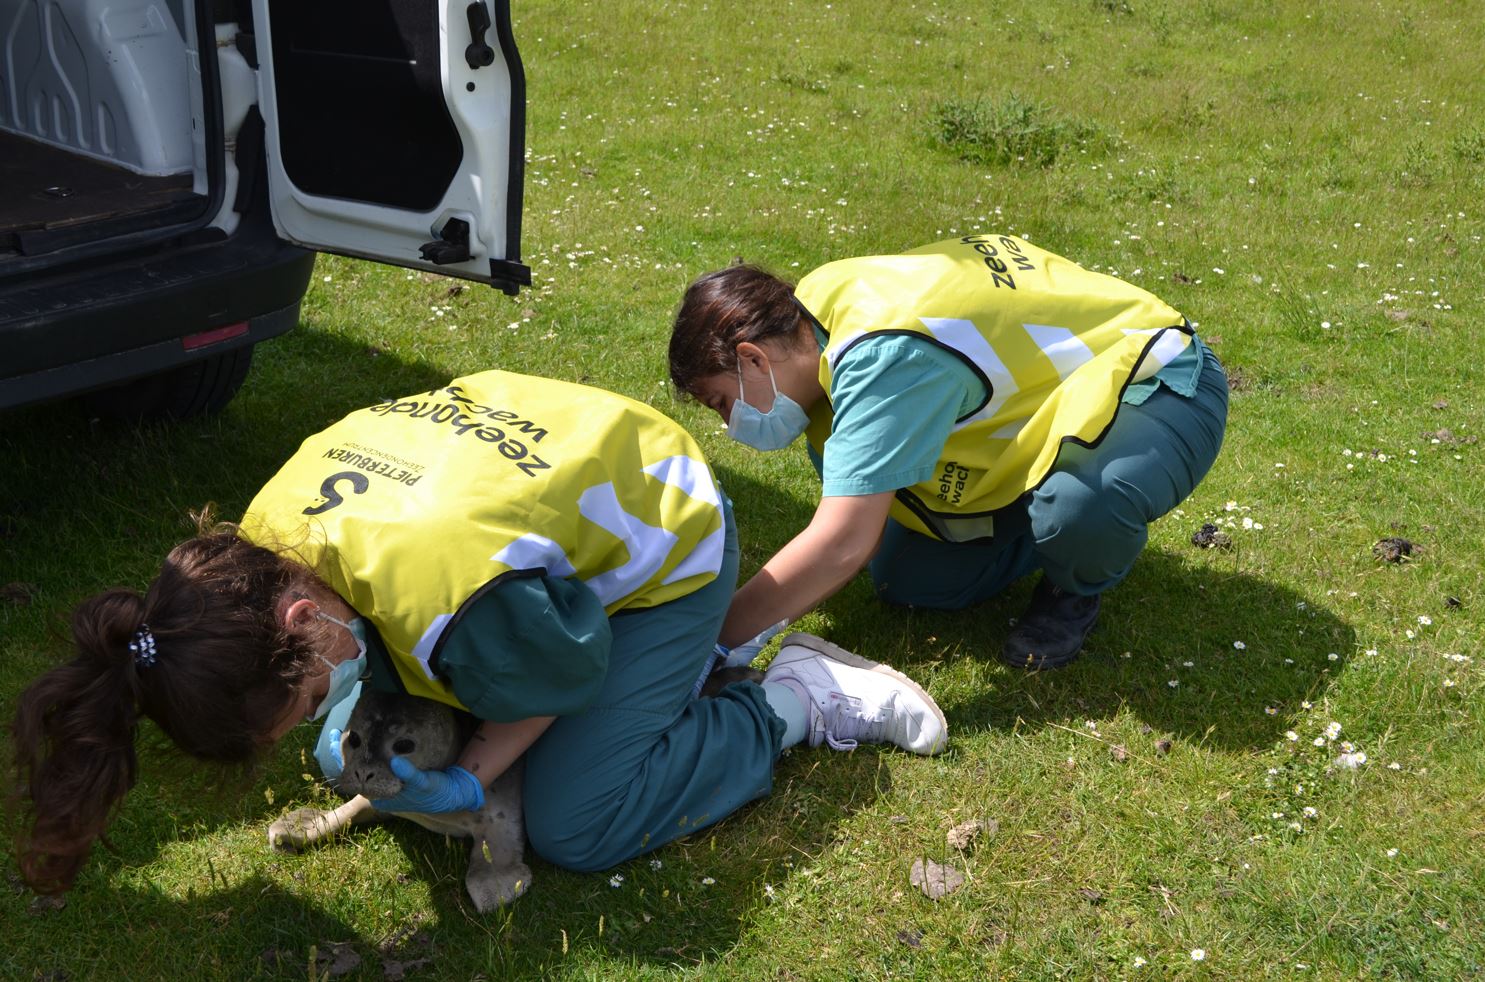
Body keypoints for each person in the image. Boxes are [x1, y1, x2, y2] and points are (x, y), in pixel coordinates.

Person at [10, 369, 947, 896]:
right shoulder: (263, 538)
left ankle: (788, 699)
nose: (310, 722)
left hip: (664, 529)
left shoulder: (453, 601)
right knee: (363, 750)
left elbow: (554, 683)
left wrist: (473, 777)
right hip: (537, 453)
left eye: (298, 703)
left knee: (579, 821)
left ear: (298, 620)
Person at [668, 233, 1229, 669]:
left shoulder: (882, 354)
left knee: (1082, 505)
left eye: (722, 402)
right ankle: (1049, 524)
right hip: (1048, 403)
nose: (729, 424)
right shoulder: (812, 309)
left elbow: (842, 542)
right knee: (913, 580)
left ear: (753, 358)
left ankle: (1074, 580)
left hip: (1155, 378)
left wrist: (710, 645)